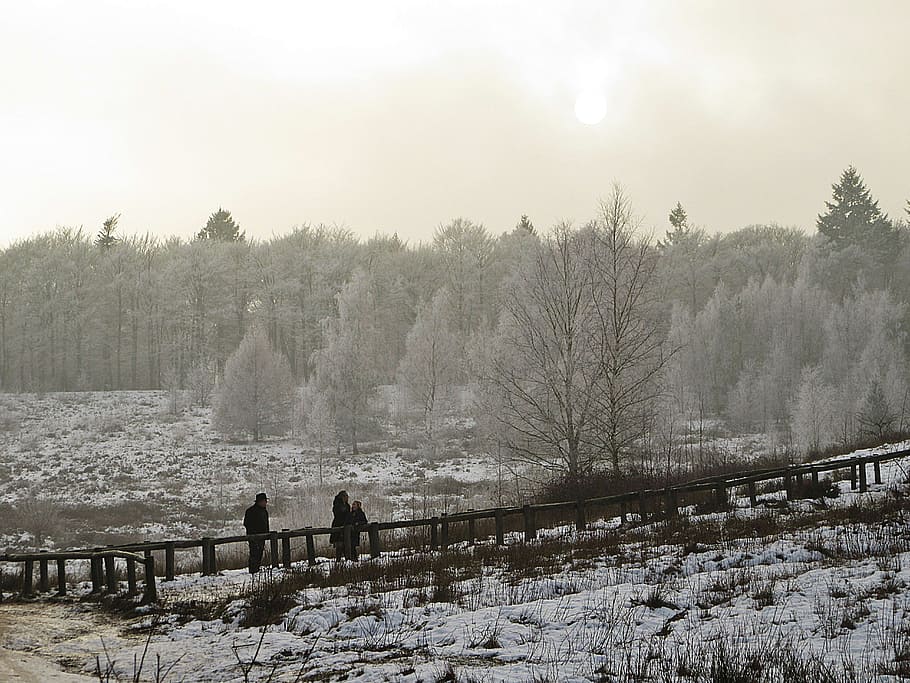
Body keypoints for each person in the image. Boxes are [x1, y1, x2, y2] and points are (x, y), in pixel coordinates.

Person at [243, 492, 269, 574]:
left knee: (259, 553)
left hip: (262, 537)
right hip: (254, 537)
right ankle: (253, 570)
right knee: (254, 553)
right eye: (264, 501)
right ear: (260, 501)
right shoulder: (250, 511)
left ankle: (256, 569)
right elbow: (246, 523)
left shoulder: (264, 511)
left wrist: (266, 533)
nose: (266, 503)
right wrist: (254, 534)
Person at [329, 490, 350, 561]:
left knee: (346, 542)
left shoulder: (347, 505)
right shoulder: (337, 505)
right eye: (346, 496)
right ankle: (338, 560)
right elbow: (338, 515)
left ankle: (347, 559)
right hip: (338, 525)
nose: (347, 498)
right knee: (339, 543)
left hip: (346, 525)